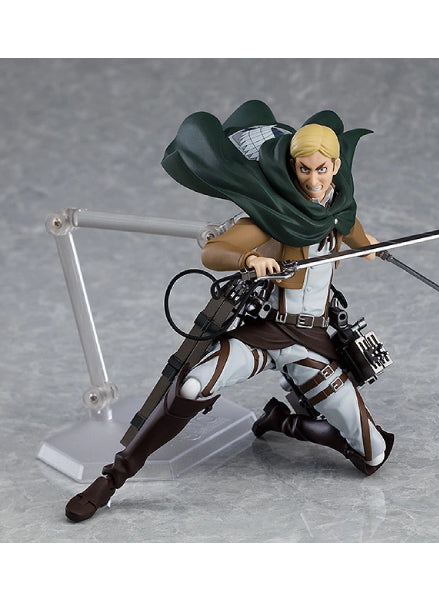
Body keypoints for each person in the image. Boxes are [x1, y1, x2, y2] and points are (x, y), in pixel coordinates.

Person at [65, 102, 394, 523]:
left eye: (322, 170)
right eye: (304, 169)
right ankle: (114, 477)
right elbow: (214, 251)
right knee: (191, 387)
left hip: (313, 343)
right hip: (268, 332)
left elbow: (358, 236)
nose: (313, 180)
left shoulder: (338, 212)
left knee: (373, 455)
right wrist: (249, 259)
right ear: (292, 167)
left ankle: (283, 421)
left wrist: (372, 247)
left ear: (335, 167)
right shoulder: (275, 213)